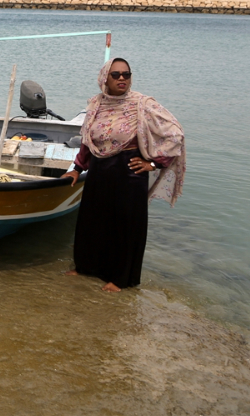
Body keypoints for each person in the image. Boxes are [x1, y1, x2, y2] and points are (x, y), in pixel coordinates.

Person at [61, 58, 185, 292]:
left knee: (125, 226)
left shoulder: (142, 104)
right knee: (92, 221)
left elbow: (175, 134)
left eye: (126, 75)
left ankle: (120, 278)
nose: (121, 79)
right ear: (104, 78)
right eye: (116, 74)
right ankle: (85, 267)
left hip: (129, 171)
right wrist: (76, 170)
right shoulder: (95, 104)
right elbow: (88, 141)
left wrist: (153, 163)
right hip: (99, 169)